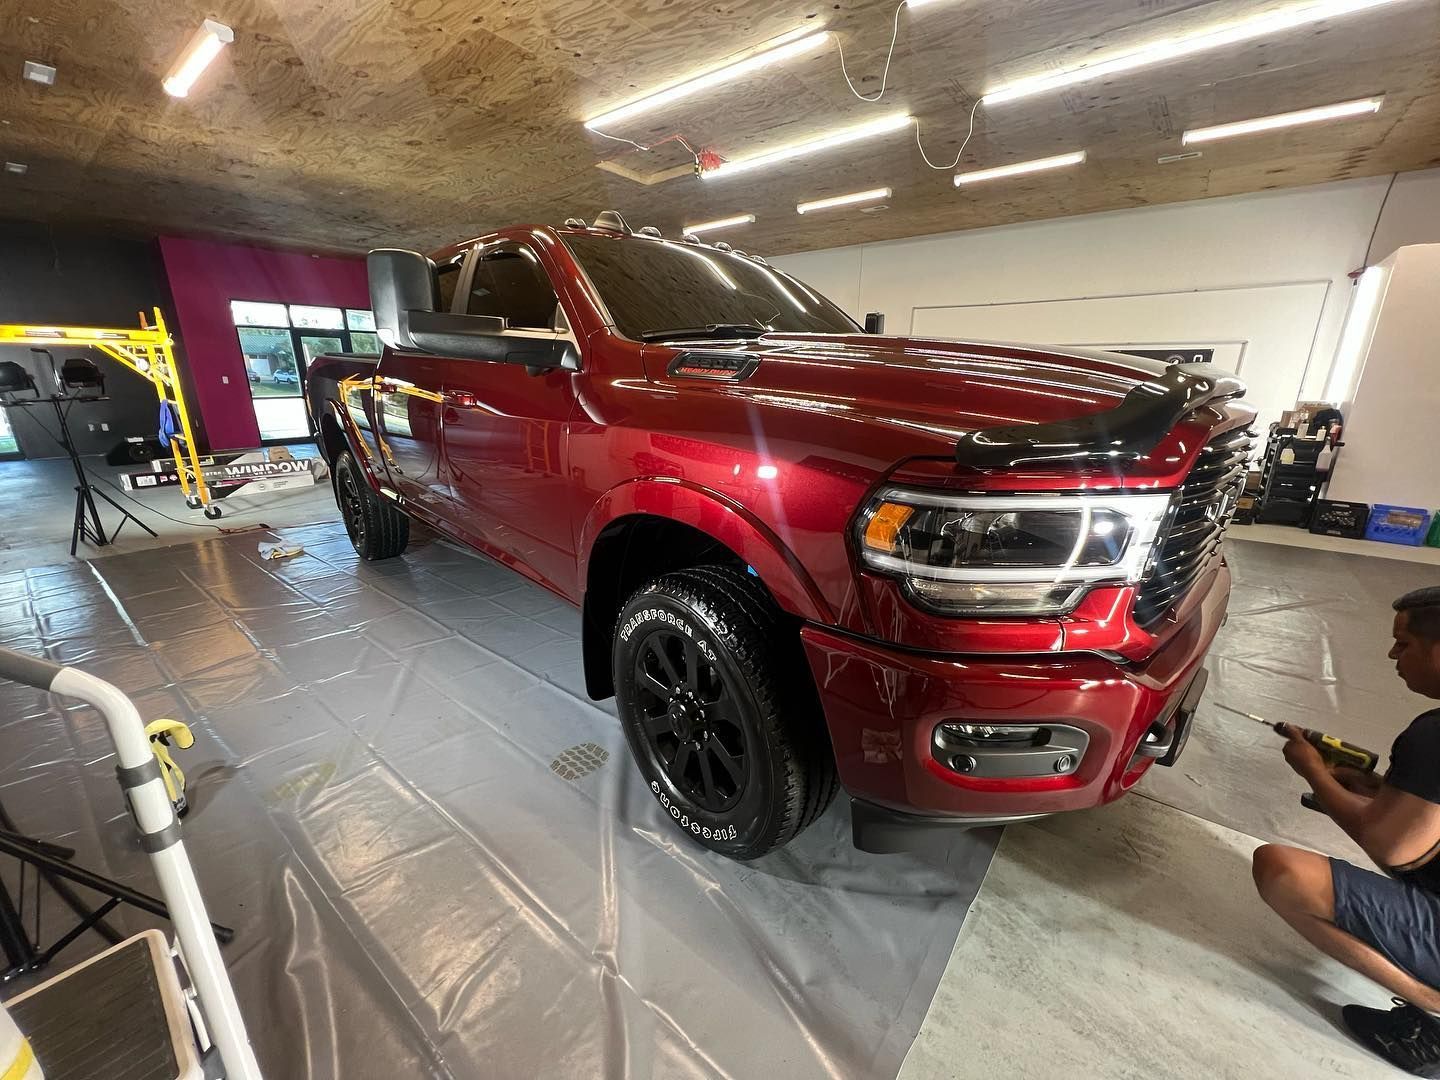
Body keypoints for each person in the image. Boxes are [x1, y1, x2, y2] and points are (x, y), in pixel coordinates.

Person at [1253, 586, 1440, 1076]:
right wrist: (1379, 788)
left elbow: (1392, 848)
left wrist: (1312, 770)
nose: (1392, 655)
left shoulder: (1434, 735)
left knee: (1281, 870)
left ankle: (1432, 1005)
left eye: (1405, 644)